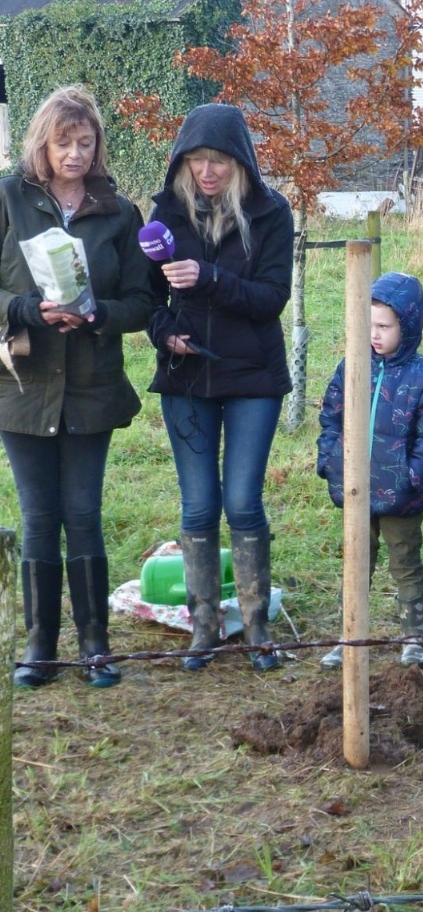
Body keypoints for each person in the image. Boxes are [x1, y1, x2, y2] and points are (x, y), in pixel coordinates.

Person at [0, 85, 153, 689]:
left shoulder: (119, 212)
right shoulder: (9, 197)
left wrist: (98, 314)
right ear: (42, 142)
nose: (75, 154)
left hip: (91, 385)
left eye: (85, 142)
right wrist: (31, 310)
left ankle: (95, 644)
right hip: (23, 387)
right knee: (39, 517)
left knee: (83, 513)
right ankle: (41, 645)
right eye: (64, 142)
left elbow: (143, 301)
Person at [147, 103, 293, 673]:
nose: (208, 172)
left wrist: (209, 278)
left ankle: (256, 626)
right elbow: (148, 305)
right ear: (183, 162)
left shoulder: (271, 213)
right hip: (186, 380)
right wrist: (167, 336)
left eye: (220, 162)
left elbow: (270, 299)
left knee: (242, 500)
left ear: (241, 163)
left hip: (253, 374)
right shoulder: (164, 215)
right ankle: (204, 624)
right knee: (200, 504)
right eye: (198, 161)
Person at [316, 272, 423, 670]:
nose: (375, 334)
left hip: (401, 496)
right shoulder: (351, 365)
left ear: (409, 325)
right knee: (356, 562)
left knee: (405, 562)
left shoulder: (421, 374)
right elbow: (331, 415)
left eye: (384, 326)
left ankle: (413, 637)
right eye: (369, 325)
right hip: (354, 488)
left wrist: (412, 477)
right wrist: (329, 459)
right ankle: (349, 636)